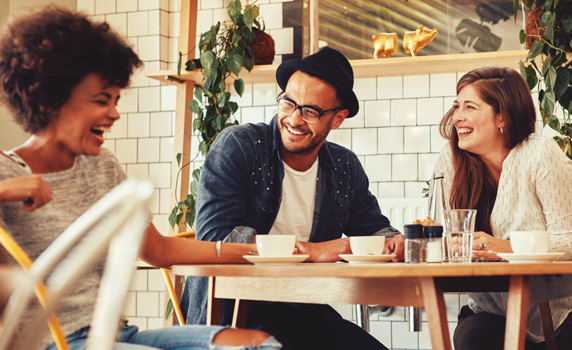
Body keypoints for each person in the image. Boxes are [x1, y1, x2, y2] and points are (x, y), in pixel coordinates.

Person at [0, 6, 283, 350]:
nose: (114, 113)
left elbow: (159, 249)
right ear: (52, 98)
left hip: (119, 336)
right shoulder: (5, 175)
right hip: (54, 343)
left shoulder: (101, 166)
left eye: (116, 100)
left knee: (258, 344)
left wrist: (256, 251)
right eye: (102, 100)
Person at [181, 46, 405, 350]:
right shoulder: (240, 147)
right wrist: (309, 251)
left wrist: (396, 241)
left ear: (337, 119)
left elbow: (372, 228)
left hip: (303, 308)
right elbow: (214, 241)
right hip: (233, 312)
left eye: (310, 111)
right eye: (288, 103)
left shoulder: (344, 166)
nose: (294, 119)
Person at [432, 66, 572, 349]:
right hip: (488, 312)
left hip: (556, 312)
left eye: (470, 107)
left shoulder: (540, 154)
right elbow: (439, 233)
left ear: (503, 117)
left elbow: (568, 240)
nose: (457, 116)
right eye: (456, 106)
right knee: (475, 342)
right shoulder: (451, 159)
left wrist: (501, 247)